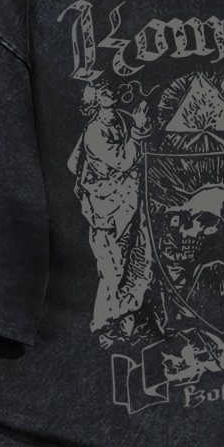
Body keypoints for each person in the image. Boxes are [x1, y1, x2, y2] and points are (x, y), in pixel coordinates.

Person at [67, 82, 152, 342]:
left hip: (130, 200)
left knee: (138, 260)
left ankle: (127, 320)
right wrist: (138, 131)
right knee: (113, 268)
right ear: (94, 99)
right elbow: (123, 161)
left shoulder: (123, 118)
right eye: (103, 90)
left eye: (110, 88)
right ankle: (105, 324)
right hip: (107, 209)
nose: (110, 92)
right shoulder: (94, 131)